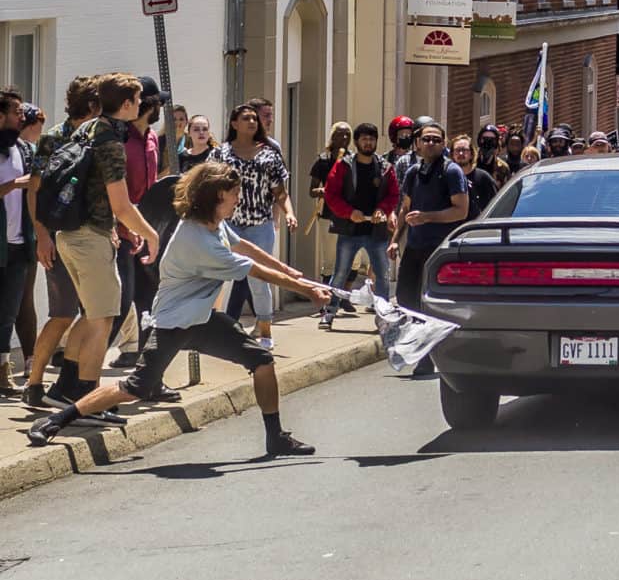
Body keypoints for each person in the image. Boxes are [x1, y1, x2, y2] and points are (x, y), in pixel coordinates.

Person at [27, 162, 331, 454]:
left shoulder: (215, 225)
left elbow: (244, 247)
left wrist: (291, 272)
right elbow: (255, 270)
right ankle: (56, 420)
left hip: (202, 318)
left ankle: (275, 437)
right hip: (174, 323)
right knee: (134, 387)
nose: (238, 198)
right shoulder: (198, 239)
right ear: (217, 195)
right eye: (235, 193)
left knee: (262, 361)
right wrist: (309, 290)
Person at [42, 73, 162, 423]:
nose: (141, 106)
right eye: (138, 101)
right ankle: (89, 403)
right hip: (89, 238)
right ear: (126, 105)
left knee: (92, 316)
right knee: (103, 320)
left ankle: (66, 391)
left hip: (72, 234)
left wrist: (115, 227)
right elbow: (122, 204)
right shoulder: (110, 141)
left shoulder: (88, 129)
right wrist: (151, 234)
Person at [22, 77, 100, 408]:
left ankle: (79, 383)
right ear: (93, 105)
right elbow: (35, 189)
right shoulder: (54, 138)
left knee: (95, 312)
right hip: (58, 236)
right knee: (63, 313)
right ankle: (35, 382)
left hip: (91, 237)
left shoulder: (100, 136)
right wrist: (41, 235)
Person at [210, 103, 297, 350]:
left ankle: (265, 330)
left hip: (259, 225)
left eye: (254, 119)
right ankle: (212, 327)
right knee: (216, 276)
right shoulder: (220, 154)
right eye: (245, 118)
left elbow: (280, 192)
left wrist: (289, 213)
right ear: (234, 123)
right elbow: (206, 183)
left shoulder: (269, 155)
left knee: (259, 280)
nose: (251, 122)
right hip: (228, 224)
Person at [387, 121, 468, 376]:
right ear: (418, 143)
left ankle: (429, 357)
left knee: (430, 304)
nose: (431, 143)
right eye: (426, 139)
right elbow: (405, 208)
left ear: (444, 144)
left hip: (440, 249)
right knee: (406, 299)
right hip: (415, 245)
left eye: (436, 140)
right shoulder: (412, 172)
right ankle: (423, 350)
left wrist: (428, 217)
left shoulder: (452, 172)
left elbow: (461, 211)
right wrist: (395, 239)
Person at [106, 77, 169, 380]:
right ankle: (80, 372)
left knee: (149, 300)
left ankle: (148, 375)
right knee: (120, 300)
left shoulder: (153, 139)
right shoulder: (120, 140)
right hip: (120, 231)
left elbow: (154, 185)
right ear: (149, 106)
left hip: (146, 230)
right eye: (159, 103)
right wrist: (124, 227)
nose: (161, 109)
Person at [320, 123, 398, 328]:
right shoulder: (343, 165)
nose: (368, 142)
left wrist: (382, 209)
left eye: (371, 139)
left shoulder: (385, 168)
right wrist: (348, 212)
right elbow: (331, 194)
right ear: (357, 142)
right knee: (340, 273)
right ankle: (328, 313)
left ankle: (383, 317)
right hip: (350, 230)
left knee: (382, 275)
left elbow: (393, 195)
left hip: (376, 231)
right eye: (364, 139)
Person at [0, 87, 32, 395]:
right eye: (16, 113)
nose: (21, 118)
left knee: (9, 311)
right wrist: (12, 185)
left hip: (19, 244)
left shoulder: (23, 149)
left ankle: (3, 370)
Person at [310, 121, 356, 313]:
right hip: (329, 214)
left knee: (353, 260)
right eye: (340, 135)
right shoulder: (323, 160)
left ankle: (344, 295)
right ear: (332, 137)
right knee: (329, 261)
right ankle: (327, 299)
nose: (343, 139)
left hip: (350, 216)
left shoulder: (355, 160)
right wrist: (325, 191)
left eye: (347, 135)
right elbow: (312, 191)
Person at [14, 103, 44, 380]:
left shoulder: (30, 151)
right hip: (13, 235)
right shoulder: (13, 149)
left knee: (25, 302)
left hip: (26, 235)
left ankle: (29, 359)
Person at [451, 134, 497, 221]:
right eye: (457, 150)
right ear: (452, 154)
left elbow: (495, 206)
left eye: (464, 150)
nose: (461, 153)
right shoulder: (447, 178)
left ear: (471, 154)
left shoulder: (483, 178)